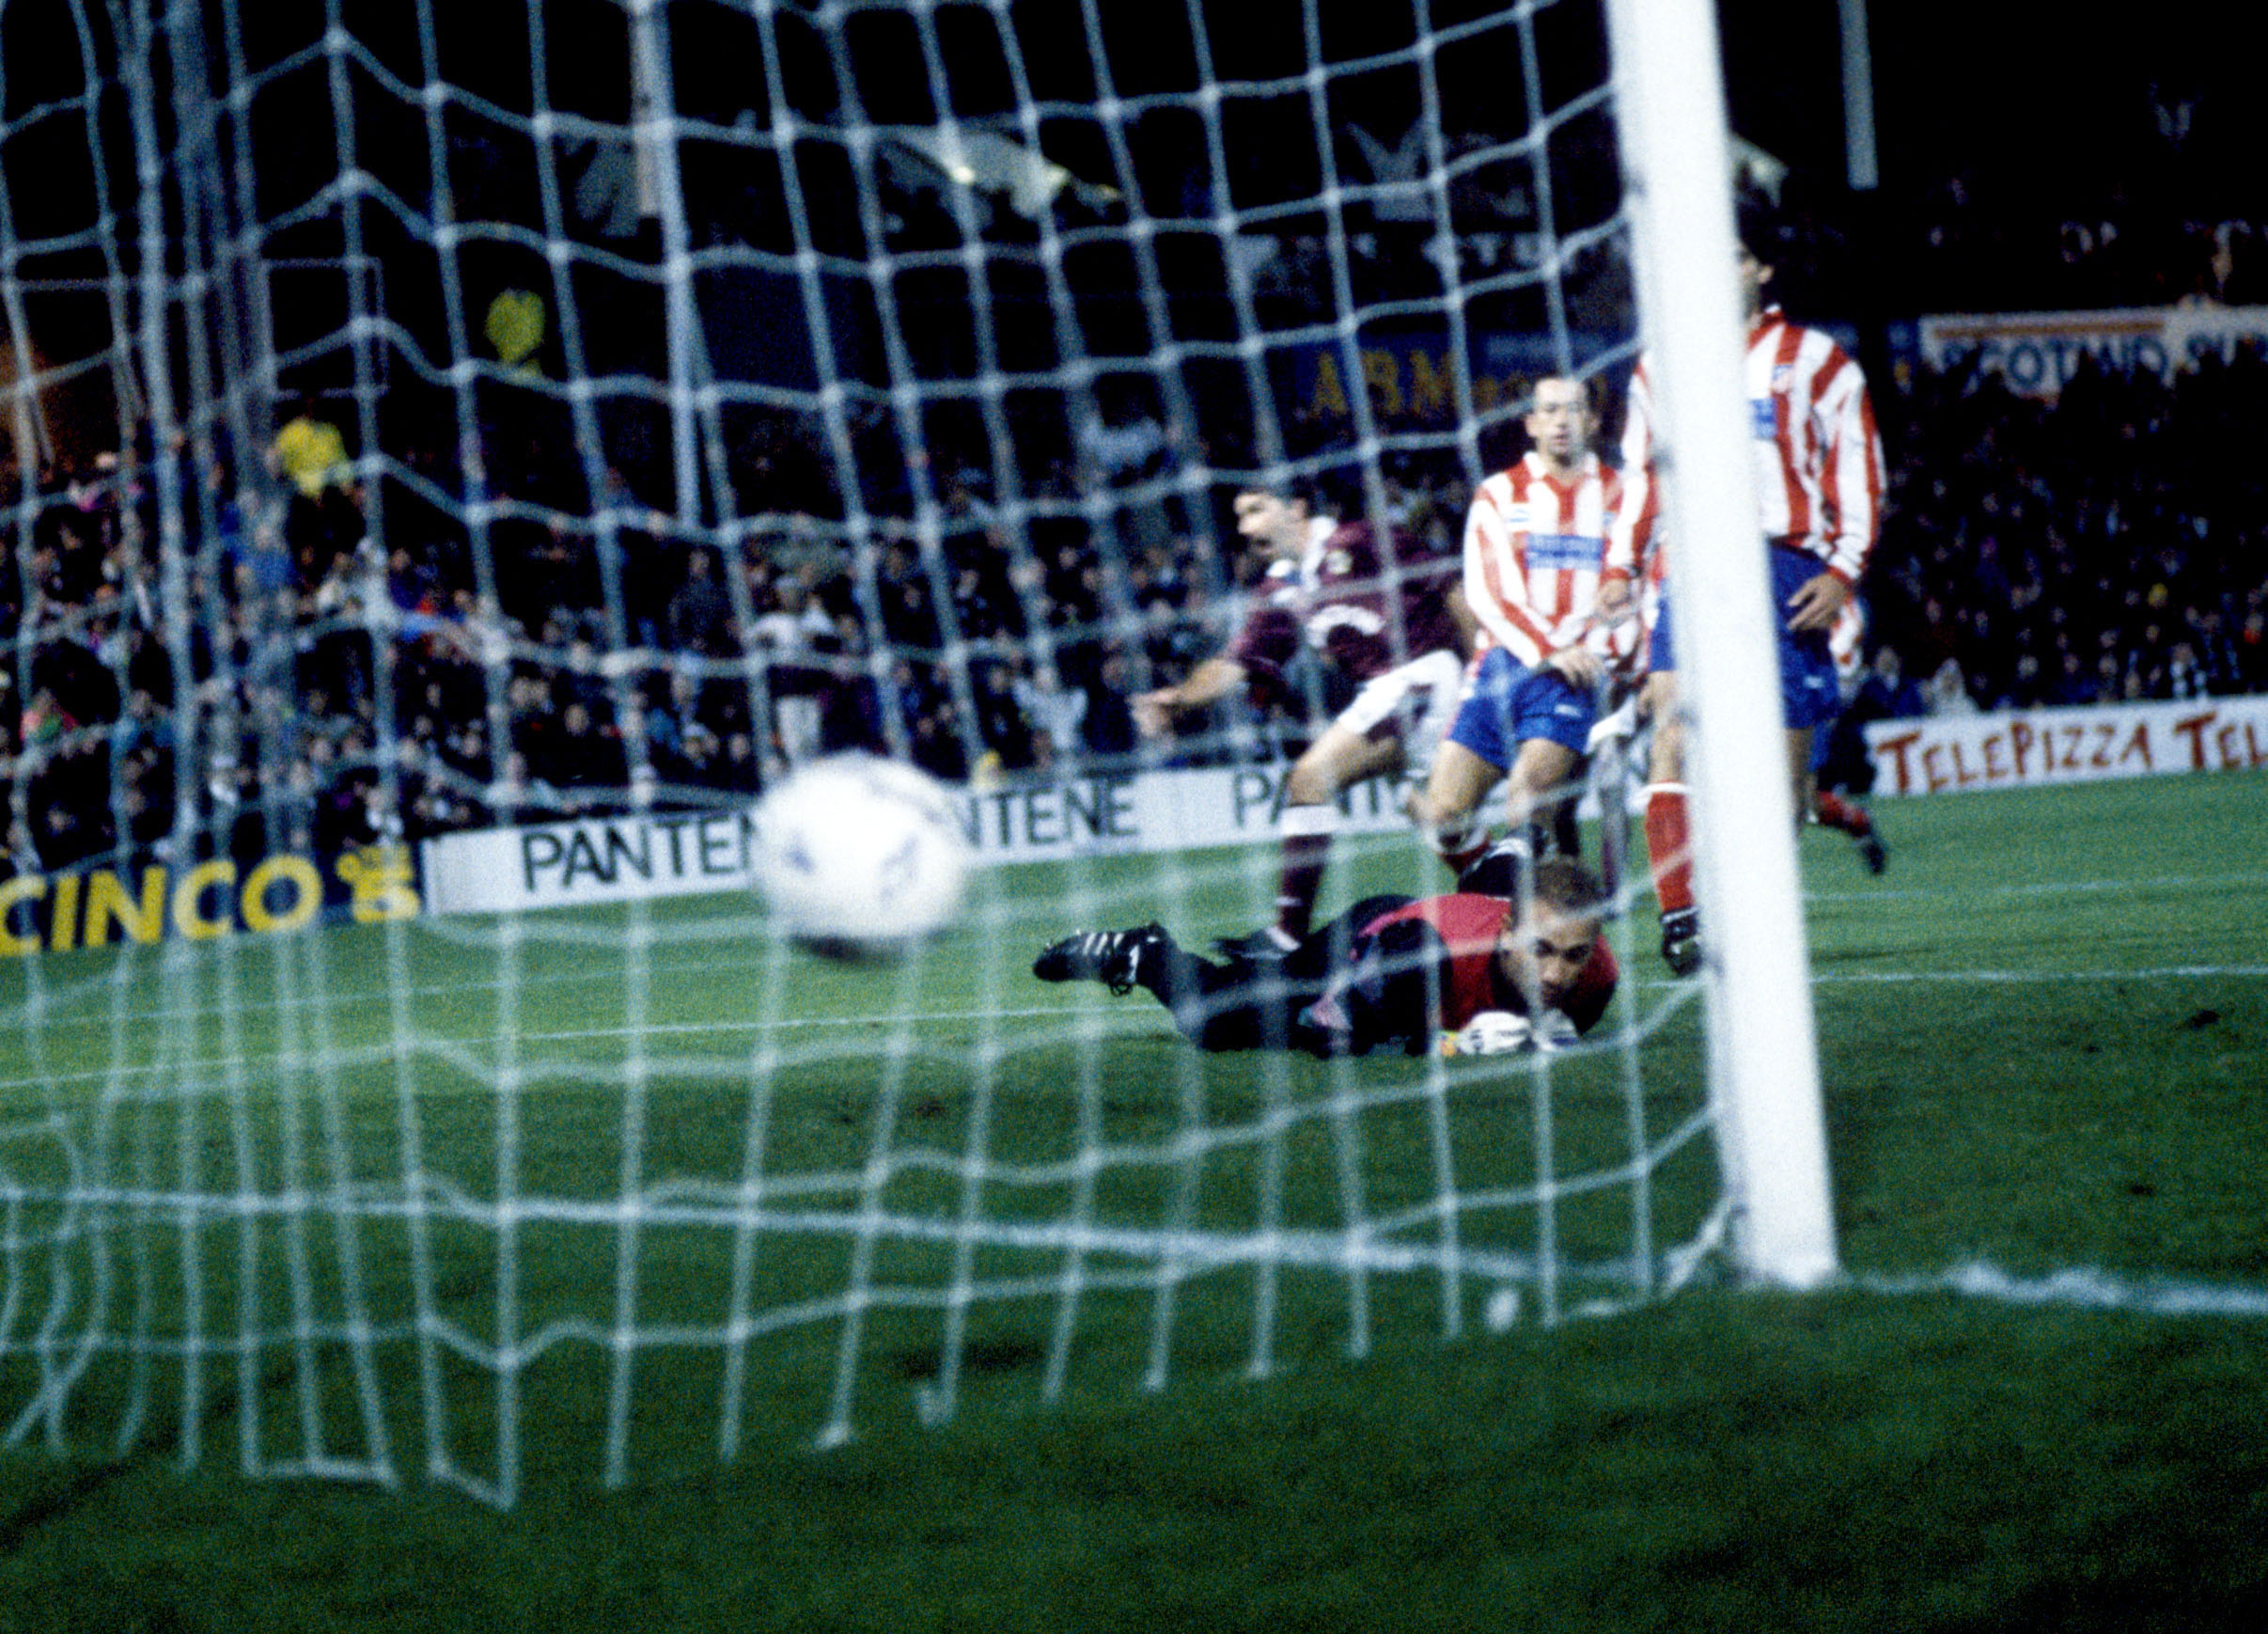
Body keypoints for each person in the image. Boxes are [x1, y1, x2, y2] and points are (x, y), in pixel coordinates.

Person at [1600, 193, 1885, 974]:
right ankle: (1681, 915)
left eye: (1730, 254)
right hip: (1691, 569)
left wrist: (1841, 572)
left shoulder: (1816, 359)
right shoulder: (1659, 366)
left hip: (1785, 569)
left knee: (1785, 793)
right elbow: (1639, 476)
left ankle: (1757, 911)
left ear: (1759, 268)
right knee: (1672, 736)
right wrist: (1619, 567)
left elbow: (1857, 470)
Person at [1133, 475, 1466, 954]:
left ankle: (1286, 935)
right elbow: (1234, 663)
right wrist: (1180, 698)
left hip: (1425, 675)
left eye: (1256, 510)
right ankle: (1515, 897)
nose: (1246, 528)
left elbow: (1449, 585)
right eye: (1240, 518)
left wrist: (1483, 669)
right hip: (1388, 694)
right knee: (1440, 820)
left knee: (1310, 778)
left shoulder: (1360, 539)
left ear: (1296, 507)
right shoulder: (1280, 589)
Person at [1032, 856, 1618, 1058]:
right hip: (1371, 951)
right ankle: (1143, 951)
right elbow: (1325, 1035)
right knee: (1212, 1019)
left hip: (1412, 951)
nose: (1556, 975)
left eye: (1573, 955)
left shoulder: (1597, 977)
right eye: (1540, 950)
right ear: (1510, 928)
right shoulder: (1426, 954)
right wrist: (1449, 1044)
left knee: (1256, 984)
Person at [1407, 374, 1632, 884]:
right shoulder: (1499, 494)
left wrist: (1607, 656)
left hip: (1577, 671)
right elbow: (1489, 593)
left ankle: (1539, 919)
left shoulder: (1622, 496)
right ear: (1531, 423)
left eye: (1572, 409)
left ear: (1592, 422)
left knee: (1526, 798)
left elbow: (1631, 591)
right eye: (1548, 410)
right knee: (1443, 818)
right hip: (1501, 667)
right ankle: (1507, 885)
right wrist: (1547, 650)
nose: (1560, 421)